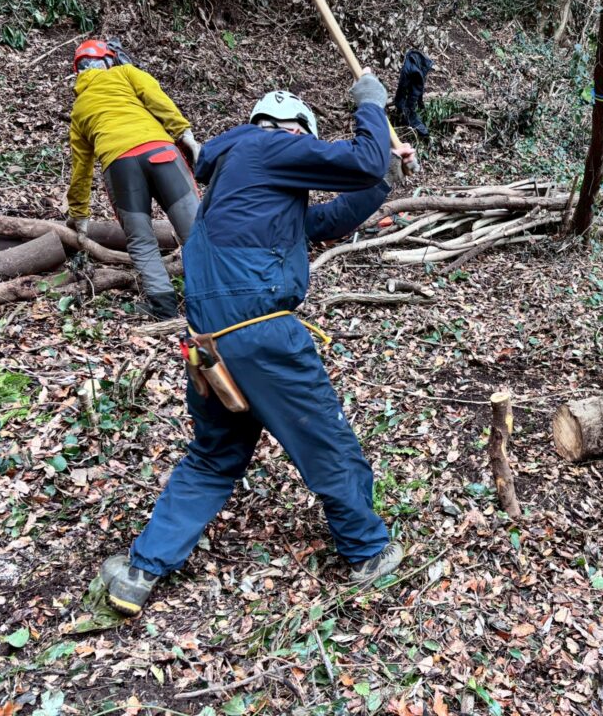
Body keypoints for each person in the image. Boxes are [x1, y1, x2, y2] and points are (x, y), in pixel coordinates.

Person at [98, 71, 416, 616]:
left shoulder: (235, 180)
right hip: (261, 332)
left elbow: (324, 219)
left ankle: (139, 571)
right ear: (296, 132)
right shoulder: (272, 145)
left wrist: (385, 175)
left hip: (210, 343)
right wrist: (370, 104)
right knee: (325, 442)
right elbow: (357, 160)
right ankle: (368, 552)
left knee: (214, 456)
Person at [67, 39, 202, 320]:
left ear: (78, 70)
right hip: (162, 154)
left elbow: (81, 167)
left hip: (120, 166)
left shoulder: (80, 109)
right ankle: (212, 301)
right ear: (108, 60)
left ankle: (164, 311)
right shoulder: (126, 73)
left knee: (141, 242)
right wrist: (183, 132)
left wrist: (79, 214)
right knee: (196, 232)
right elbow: (157, 98)